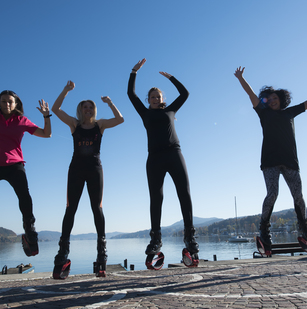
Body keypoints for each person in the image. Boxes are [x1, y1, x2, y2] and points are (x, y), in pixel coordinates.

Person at [127, 58, 199, 256]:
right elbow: (130, 94)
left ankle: (190, 237)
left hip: (174, 154)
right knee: (156, 198)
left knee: (184, 194)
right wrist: (134, 72)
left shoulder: (170, 110)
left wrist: (172, 78)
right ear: (148, 100)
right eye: (152, 97)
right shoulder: (144, 113)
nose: (156, 99)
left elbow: (185, 94)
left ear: (162, 99)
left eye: (158, 96)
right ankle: (156, 239)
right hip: (155, 158)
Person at [52, 81, 124, 269]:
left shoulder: (100, 126)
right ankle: (63, 252)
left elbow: (120, 119)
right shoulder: (74, 124)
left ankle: (102, 251)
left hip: (95, 170)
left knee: (97, 208)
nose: (88, 109)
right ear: (80, 110)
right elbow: (56, 109)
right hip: (75, 170)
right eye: (85, 107)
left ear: (94, 110)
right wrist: (65, 90)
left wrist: (110, 103)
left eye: (91, 107)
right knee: (71, 208)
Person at [234, 66, 307, 246]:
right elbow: (251, 94)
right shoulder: (263, 113)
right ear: (266, 101)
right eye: (271, 98)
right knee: (272, 193)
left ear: (282, 100)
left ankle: (304, 228)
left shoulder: (290, 112)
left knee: (298, 196)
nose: (274, 100)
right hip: (270, 162)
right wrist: (241, 78)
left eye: (277, 98)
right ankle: (264, 229)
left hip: (290, 161)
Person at [0, 90, 51, 256]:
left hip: (15, 164)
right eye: (3, 101)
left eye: (10, 101)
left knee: (24, 196)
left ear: (15, 105)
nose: (7, 104)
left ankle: (29, 230)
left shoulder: (21, 120)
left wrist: (46, 116)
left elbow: (46, 134)